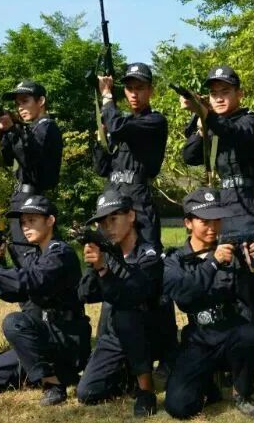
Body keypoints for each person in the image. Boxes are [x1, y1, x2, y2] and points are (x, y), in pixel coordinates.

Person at [0, 195, 90, 405]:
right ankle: (55, 373)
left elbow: (31, 280)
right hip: (45, 339)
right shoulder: (37, 255)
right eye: (23, 222)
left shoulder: (60, 253)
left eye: (32, 220)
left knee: (14, 322)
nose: (25, 227)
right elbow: (14, 293)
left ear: (50, 221)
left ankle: (53, 385)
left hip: (67, 339)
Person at [94, 62, 177, 375]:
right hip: (113, 206)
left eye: (140, 88)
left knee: (152, 279)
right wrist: (99, 138)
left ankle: (167, 353)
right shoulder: (120, 123)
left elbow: (118, 127)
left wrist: (106, 98)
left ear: (150, 90)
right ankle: (111, 348)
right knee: (112, 272)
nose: (133, 94)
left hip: (139, 208)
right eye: (128, 88)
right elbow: (102, 167)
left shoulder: (153, 121)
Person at [163, 187, 254, 418]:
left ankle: (242, 392)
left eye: (217, 220)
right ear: (188, 223)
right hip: (198, 338)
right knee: (178, 406)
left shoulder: (233, 254)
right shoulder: (175, 260)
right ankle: (208, 387)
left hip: (230, 331)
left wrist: (253, 269)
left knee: (249, 336)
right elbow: (184, 294)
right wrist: (212, 262)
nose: (212, 227)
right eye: (205, 221)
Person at [180, 65, 254, 339]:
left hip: (247, 201)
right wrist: (200, 125)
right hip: (222, 202)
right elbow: (190, 156)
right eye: (213, 93)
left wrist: (206, 114)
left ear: (239, 94)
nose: (219, 98)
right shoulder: (213, 124)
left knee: (245, 271)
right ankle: (224, 338)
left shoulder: (250, 121)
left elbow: (234, 133)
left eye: (225, 91)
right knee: (220, 268)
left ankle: (249, 345)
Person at [76, 190, 163, 417]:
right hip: (116, 335)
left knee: (126, 313)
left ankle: (146, 390)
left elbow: (134, 295)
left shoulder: (149, 253)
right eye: (103, 223)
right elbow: (85, 294)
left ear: (131, 216)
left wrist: (104, 270)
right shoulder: (108, 253)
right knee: (87, 392)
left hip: (148, 330)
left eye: (113, 219)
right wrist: (93, 265)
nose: (108, 227)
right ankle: (127, 375)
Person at [0, 80, 63, 263]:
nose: (20, 108)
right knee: (19, 252)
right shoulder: (28, 130)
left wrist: (13, 130)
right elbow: (3, 158)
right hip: (21, 198)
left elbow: (31, 160)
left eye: (25, 101)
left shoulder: (46, 126)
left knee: (27, 255)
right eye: (17, 103)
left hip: (32, 199)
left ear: (41, 101)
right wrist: (3, 132)